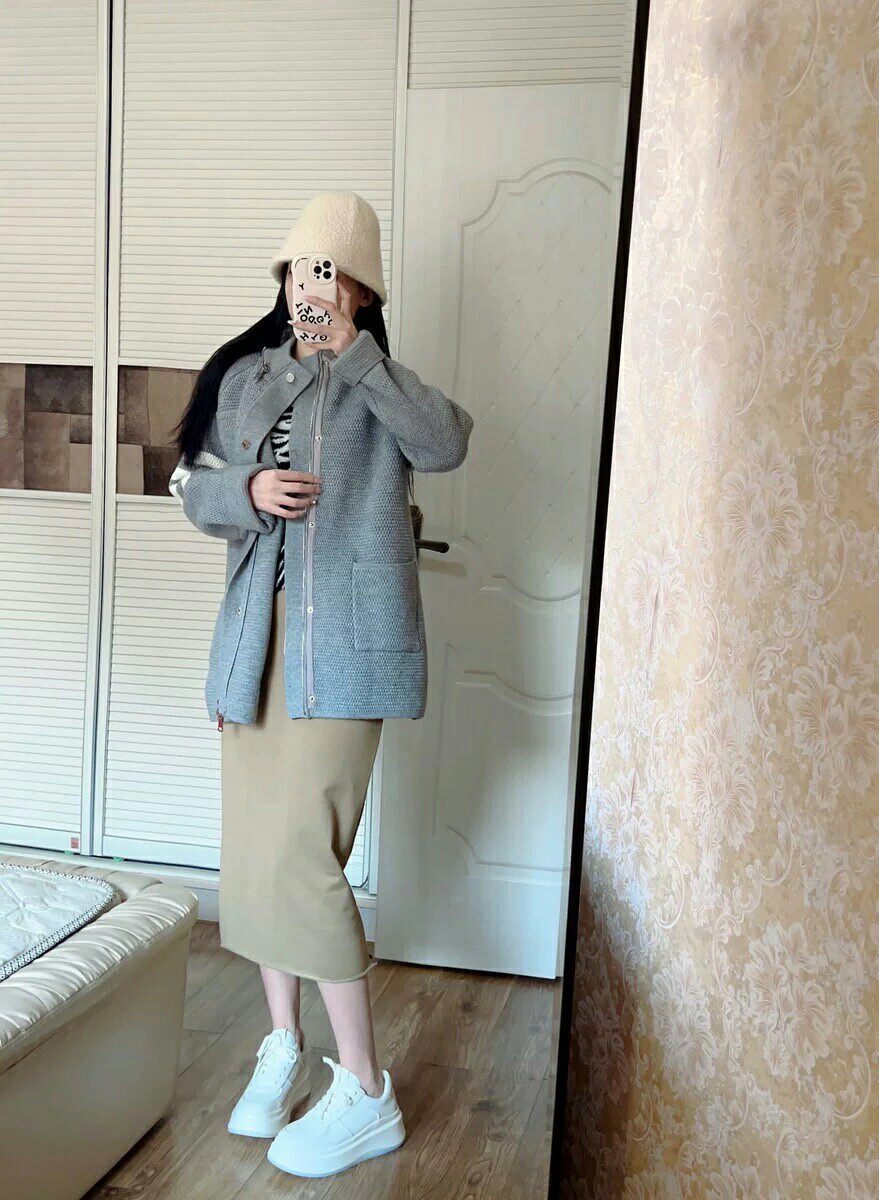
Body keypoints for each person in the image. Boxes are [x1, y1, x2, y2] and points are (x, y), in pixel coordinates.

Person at [169, 191, 473, 1179]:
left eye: (332, 273)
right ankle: (284, 1045)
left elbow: (446, 445)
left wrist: (356, 354)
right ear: (284, 279)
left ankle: (367, 1089)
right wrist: (248, 490)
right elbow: (194, 487)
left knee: (305, 857)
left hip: (344, 655)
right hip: (251, 650)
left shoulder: (384, 382)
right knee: (256, 861)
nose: (313, 286)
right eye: (302, 269)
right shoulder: (247, 376)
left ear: (361, 289)